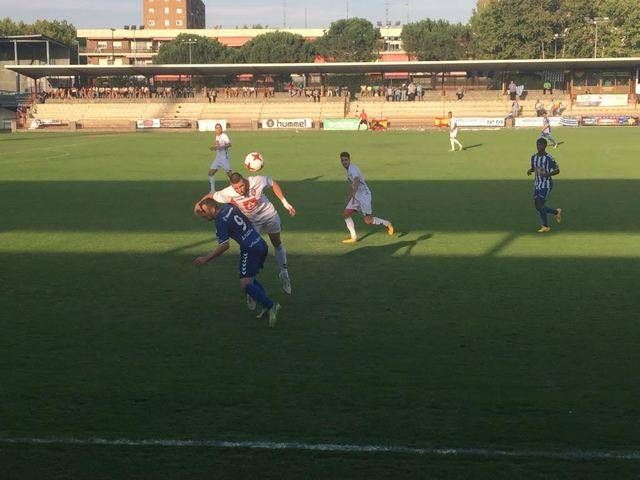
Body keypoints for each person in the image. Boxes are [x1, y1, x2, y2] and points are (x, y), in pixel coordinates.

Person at [193, 198, 281, 326]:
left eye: (204, 212)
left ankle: (271, 306)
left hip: (250, 249)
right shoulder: (229, 207)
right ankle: (266, 306)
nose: (203, 216)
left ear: (212, 208)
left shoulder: (220, 221)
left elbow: (224, 246)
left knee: (245, 283)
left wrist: (206, 258)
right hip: (260, 244)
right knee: (249, 279)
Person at [207, 171, 295, 295]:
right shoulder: (228, 192)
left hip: (269, 215)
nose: (239, 190)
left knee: (277, 243)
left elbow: (272, 183)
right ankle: (251, 285)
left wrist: (285, 202)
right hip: (253, 223)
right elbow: (211, 195)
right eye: (236, 188)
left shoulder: (256, 181)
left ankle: (284, 274)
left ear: (244, 180)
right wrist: (198, 205)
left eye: (241, 186)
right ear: (232, 186)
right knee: (252, 252)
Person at [340, 152, 394, 243]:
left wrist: (353, 195)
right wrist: (351, 194)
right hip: (357, 195)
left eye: (346, 160)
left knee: (368, 220)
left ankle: (387, 224)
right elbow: (353, 183)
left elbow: (356, 181)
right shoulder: (348, 169)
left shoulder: (352, 169)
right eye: (342, 160)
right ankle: (354, 237)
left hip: (364, 196)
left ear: (349, 160)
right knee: (346, 214)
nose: (344, 162)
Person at [526, 138, 562, 233]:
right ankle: (556, 212)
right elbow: (534, 167)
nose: (539, 147)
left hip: (546, 184)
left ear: (545, 146)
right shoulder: (534, 157)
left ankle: (545, 226)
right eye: (537, 145)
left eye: (541, 145)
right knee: (538, 206)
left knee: (539, 204)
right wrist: (530, 170)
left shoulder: (548, 158)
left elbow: (557, 170)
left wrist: (547, 174)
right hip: (537, 184)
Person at [208, 123, 232, 192]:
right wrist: (214, 148)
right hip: (217, 158)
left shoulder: (224, 136)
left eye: (219, 128)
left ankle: (235, 187)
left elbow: (229, 144)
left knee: (230, 175)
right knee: (211, 173)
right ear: (215, 129)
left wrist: (221, 147)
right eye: (217, 128)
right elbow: (218, 146)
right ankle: (212, 191)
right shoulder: (217, 136)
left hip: (224, 158)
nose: (218, 129)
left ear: (221, 129)